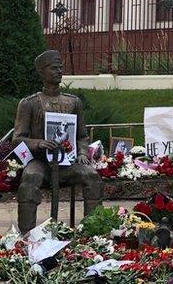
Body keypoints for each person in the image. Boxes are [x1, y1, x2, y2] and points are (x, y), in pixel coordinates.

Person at [14, 50, 103, 232]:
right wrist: (38, 143)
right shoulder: (29, 103)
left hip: (68, 162)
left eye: (60, 68)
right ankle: (27, 236)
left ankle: (93, 233)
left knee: (92, 176)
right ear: (41, 72)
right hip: (40, 161)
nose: (59, 71)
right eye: (53, 68)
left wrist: (82, 153)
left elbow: (82, 136)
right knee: (30, 178)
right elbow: (18, 139)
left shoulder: (73, 102)